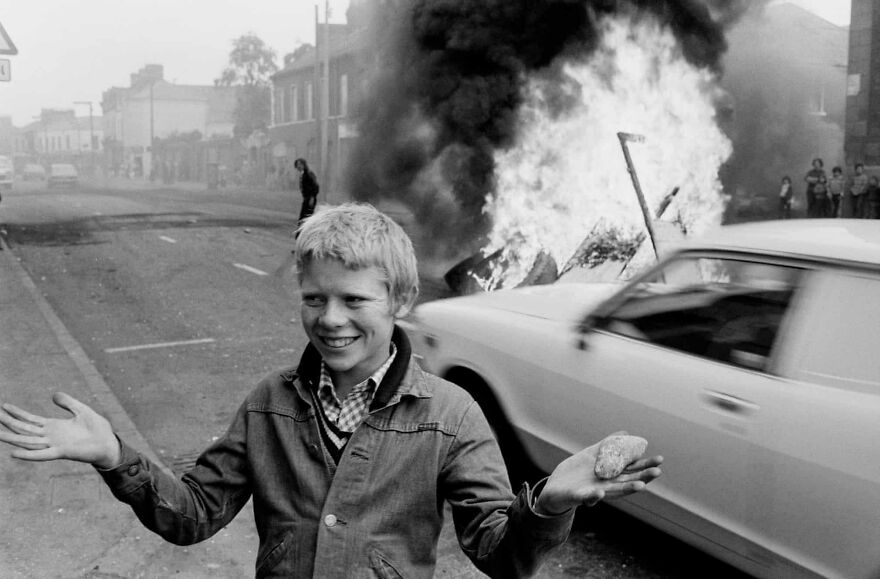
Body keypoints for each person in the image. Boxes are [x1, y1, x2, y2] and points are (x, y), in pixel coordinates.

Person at [0, 203, 662, 578]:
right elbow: (194, 513)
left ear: (400, 299)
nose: (331, 317)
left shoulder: (451, 416)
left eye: (354, 298)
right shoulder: (269, 403)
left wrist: (550, 501)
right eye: (314, 297)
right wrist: (115, 455)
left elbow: (499, 549)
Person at [294, 158, 320, 233]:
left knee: (306, 218)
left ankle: (304, 234)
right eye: (297, 165)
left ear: (304, 165)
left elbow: (315, 186)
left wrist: (312, 197)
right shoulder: (302, 174)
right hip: (306, 198)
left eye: (300, 164)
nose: (299, 166)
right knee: (304, 218)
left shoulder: (309, 174)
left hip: (310, 199)